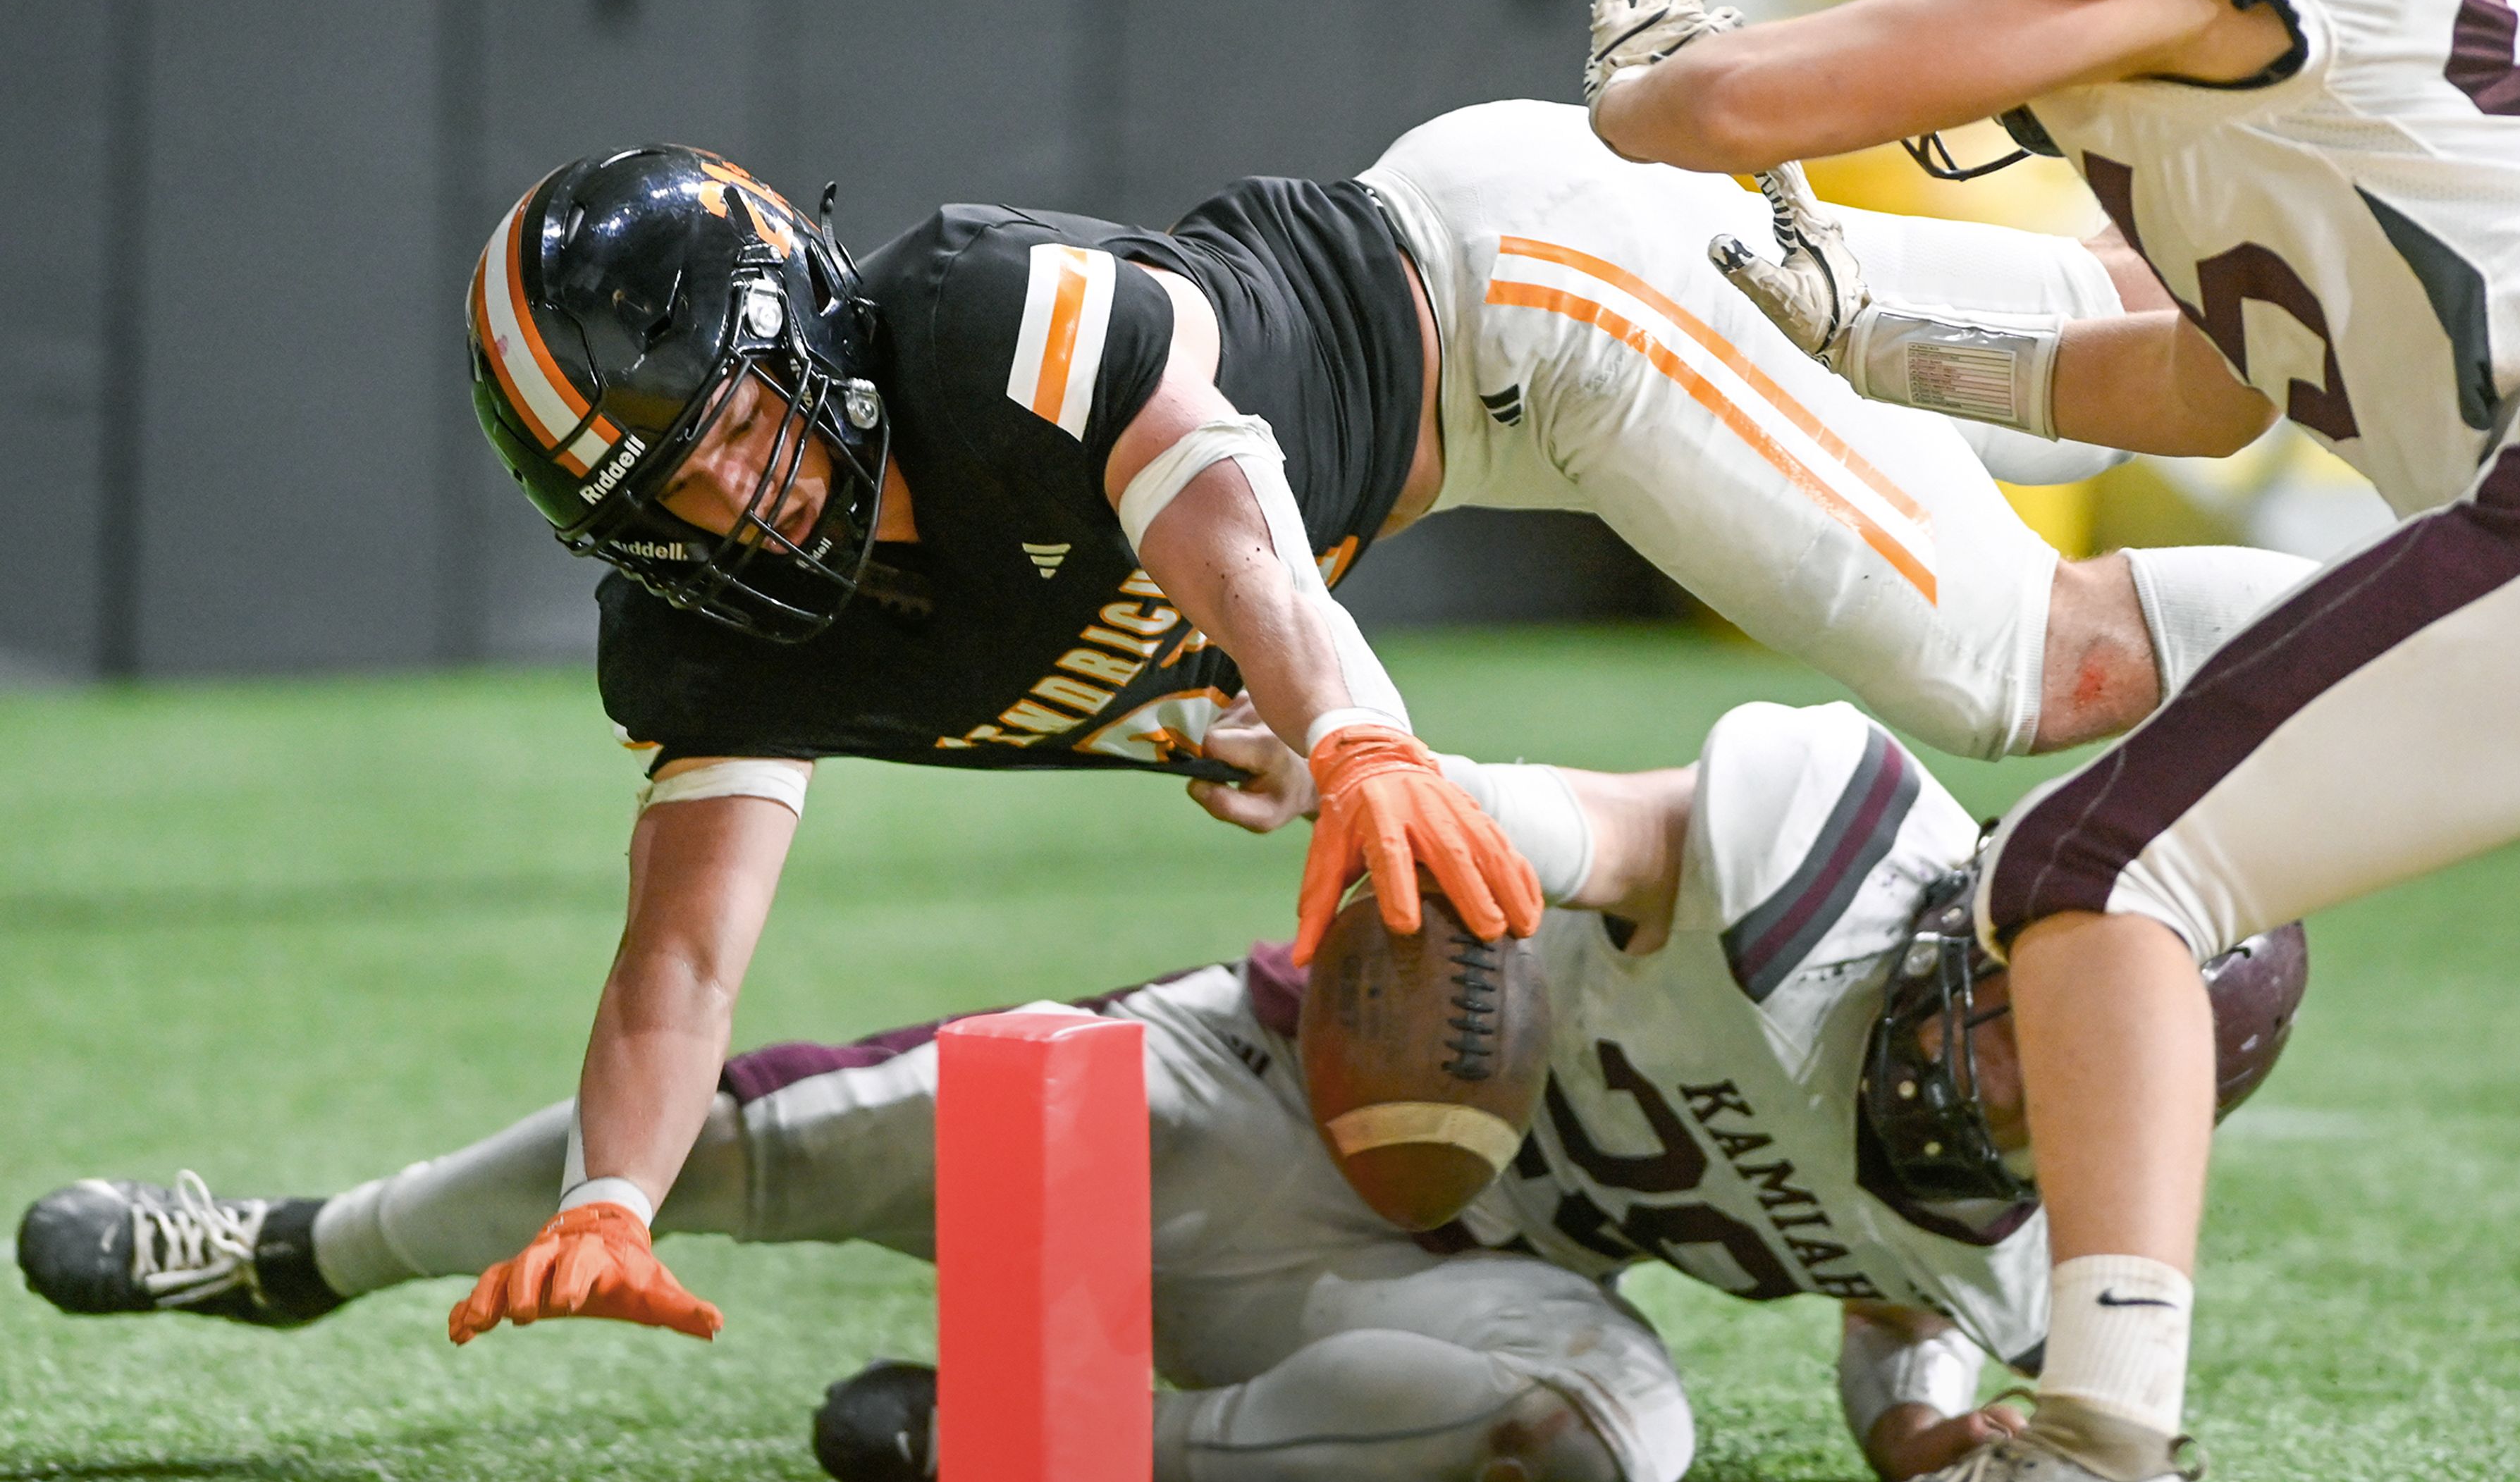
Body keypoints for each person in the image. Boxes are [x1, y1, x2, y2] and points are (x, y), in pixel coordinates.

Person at [441, 113, 2311, 1346]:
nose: (743, 505)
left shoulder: (968, 317)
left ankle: (2485, 618)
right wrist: (614, 1189)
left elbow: (1214, 489)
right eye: (672, 495)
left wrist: (1351, 731)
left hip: (1517, 292)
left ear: (802, 320)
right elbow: (680, 956)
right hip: (1511, 350)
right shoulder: (724, 637)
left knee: (2022, 668)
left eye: (743, 430)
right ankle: (2400, 246)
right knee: (2156, 349)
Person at [1587, 0, 2520, 1481]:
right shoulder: (2255, 17)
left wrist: (1654, 96)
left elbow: (1728, 106)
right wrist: (1873, 336)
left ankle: (2102, 1434)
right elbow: (2196, 379)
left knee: (2094, 874)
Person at [17, 700, 2305, 1482]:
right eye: (2024, 984)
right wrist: (1397, 797)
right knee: (750, 1138)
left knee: (1614, 1440)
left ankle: (1053, 1442)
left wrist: (1940, 1435)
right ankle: (304, 1246)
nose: (2007, 1045)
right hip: (1275, 1088)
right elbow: (1571, 830)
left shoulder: (2044, 1258)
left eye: (2069, 1053)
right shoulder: (1835, 839)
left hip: (1429, 1298)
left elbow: (1913, 1330)